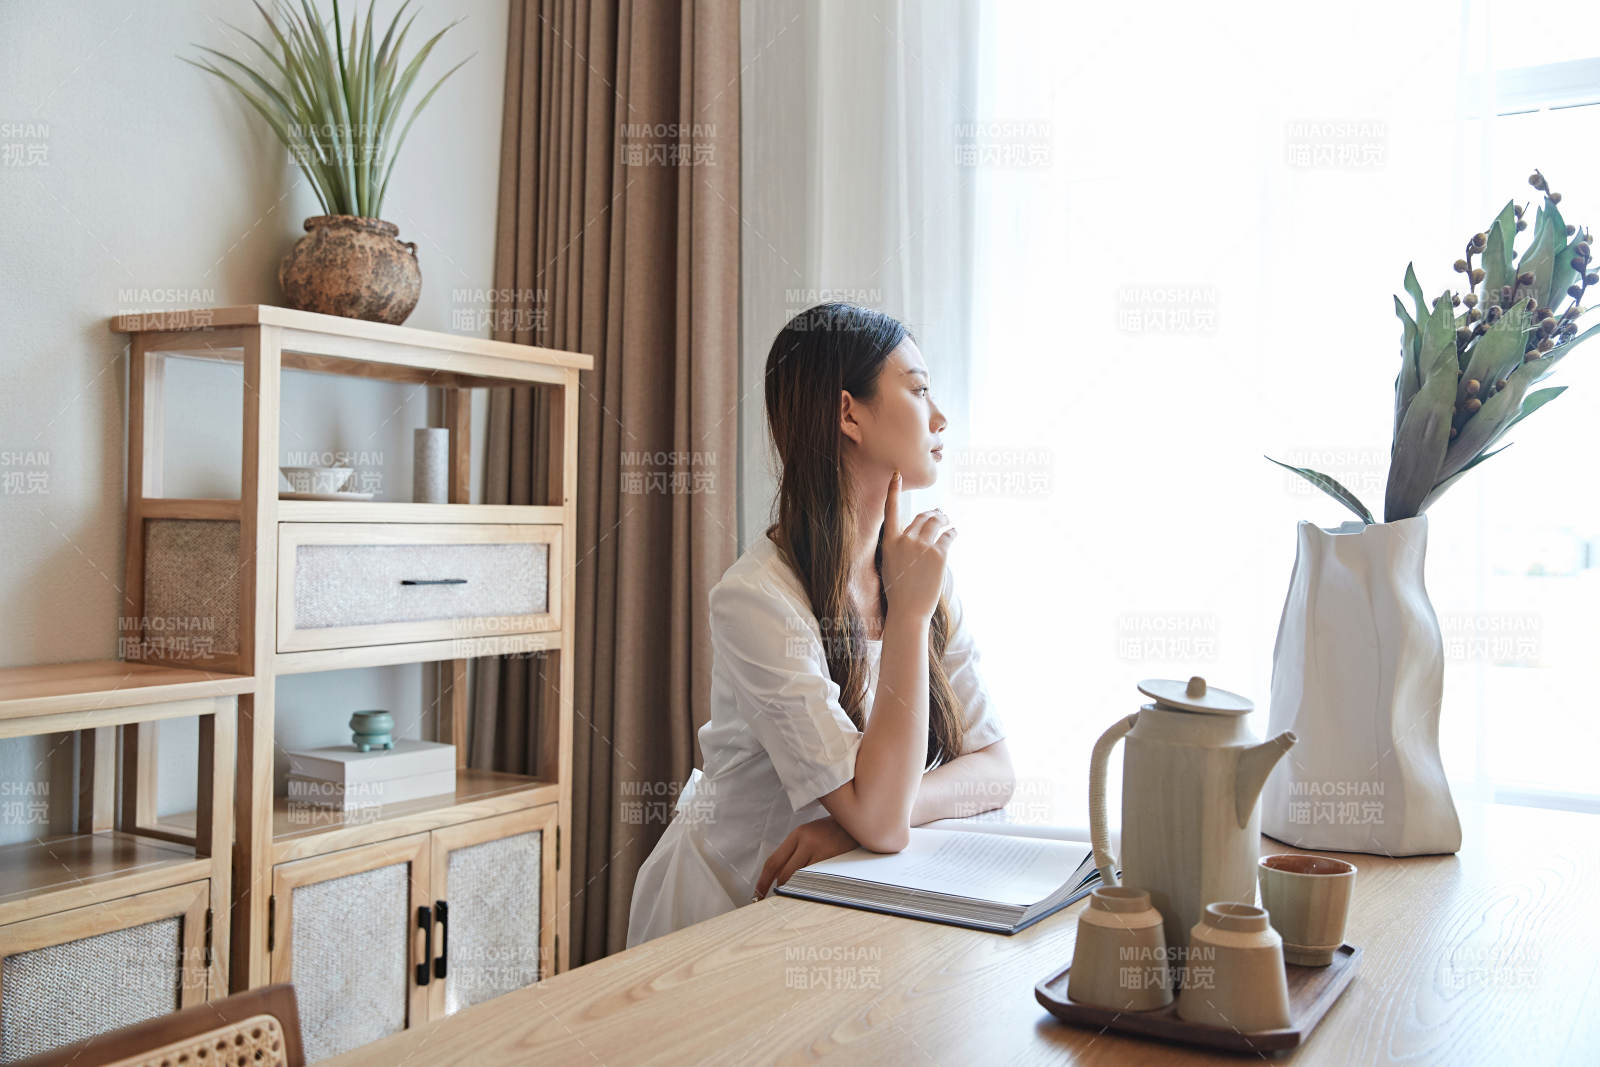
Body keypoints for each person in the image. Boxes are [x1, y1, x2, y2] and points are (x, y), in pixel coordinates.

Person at [625, 302, 1014, 948]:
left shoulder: (918, 571)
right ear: (848, 415)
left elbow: (995, 769)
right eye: (919, 390)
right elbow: (882, 823)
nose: (940, 417)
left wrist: (850, 825)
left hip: (838, 890)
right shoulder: (755, 598)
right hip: (733, 909)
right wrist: (909, 617)